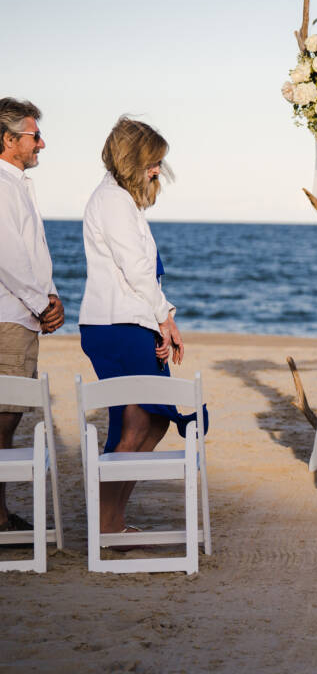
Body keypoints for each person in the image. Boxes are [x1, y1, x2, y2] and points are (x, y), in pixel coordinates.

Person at [79, 117, 199, 538]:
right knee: (136, 422)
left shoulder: (121, 201)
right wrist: (165, 318)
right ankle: (106, 523)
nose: (157, 171)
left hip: (130, 323)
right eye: (153, 162)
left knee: (153, 420)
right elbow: (136, 270)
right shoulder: (112, 202)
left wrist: (156, 326)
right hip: (116, 324)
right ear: (135, 159)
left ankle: (110, 518)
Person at [0, 98, 64, 534]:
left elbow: (34, 254)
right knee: (3, 421)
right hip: (9, 319)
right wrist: (42, 305)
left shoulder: (18, 184)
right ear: (7, 139)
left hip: (19, 317)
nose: (42, 142)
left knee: (9, 419)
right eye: (33, 135)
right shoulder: (2, 186)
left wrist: (52, 296)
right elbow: (9, 256)